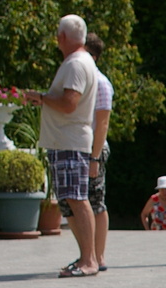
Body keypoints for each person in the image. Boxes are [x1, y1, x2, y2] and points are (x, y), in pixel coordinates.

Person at [23, 15, 99, 277]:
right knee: (71, 202)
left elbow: (69, 104)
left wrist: (41, 97)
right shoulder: (81, 61)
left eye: (58, 35)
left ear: (63, 37)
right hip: (67, 142)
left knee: (78, 200)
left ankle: (89, 261)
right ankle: (85, 258)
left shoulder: (76, 64)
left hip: (71, 142)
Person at [61, 32, 113, 270]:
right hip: (75, 147)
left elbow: (102, 123)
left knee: (95, 202)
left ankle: (97, 257)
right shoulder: (83, 80)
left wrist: (95, 157)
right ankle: (87, 253)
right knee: (69, 203)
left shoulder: (100, 82)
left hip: (93, 148)